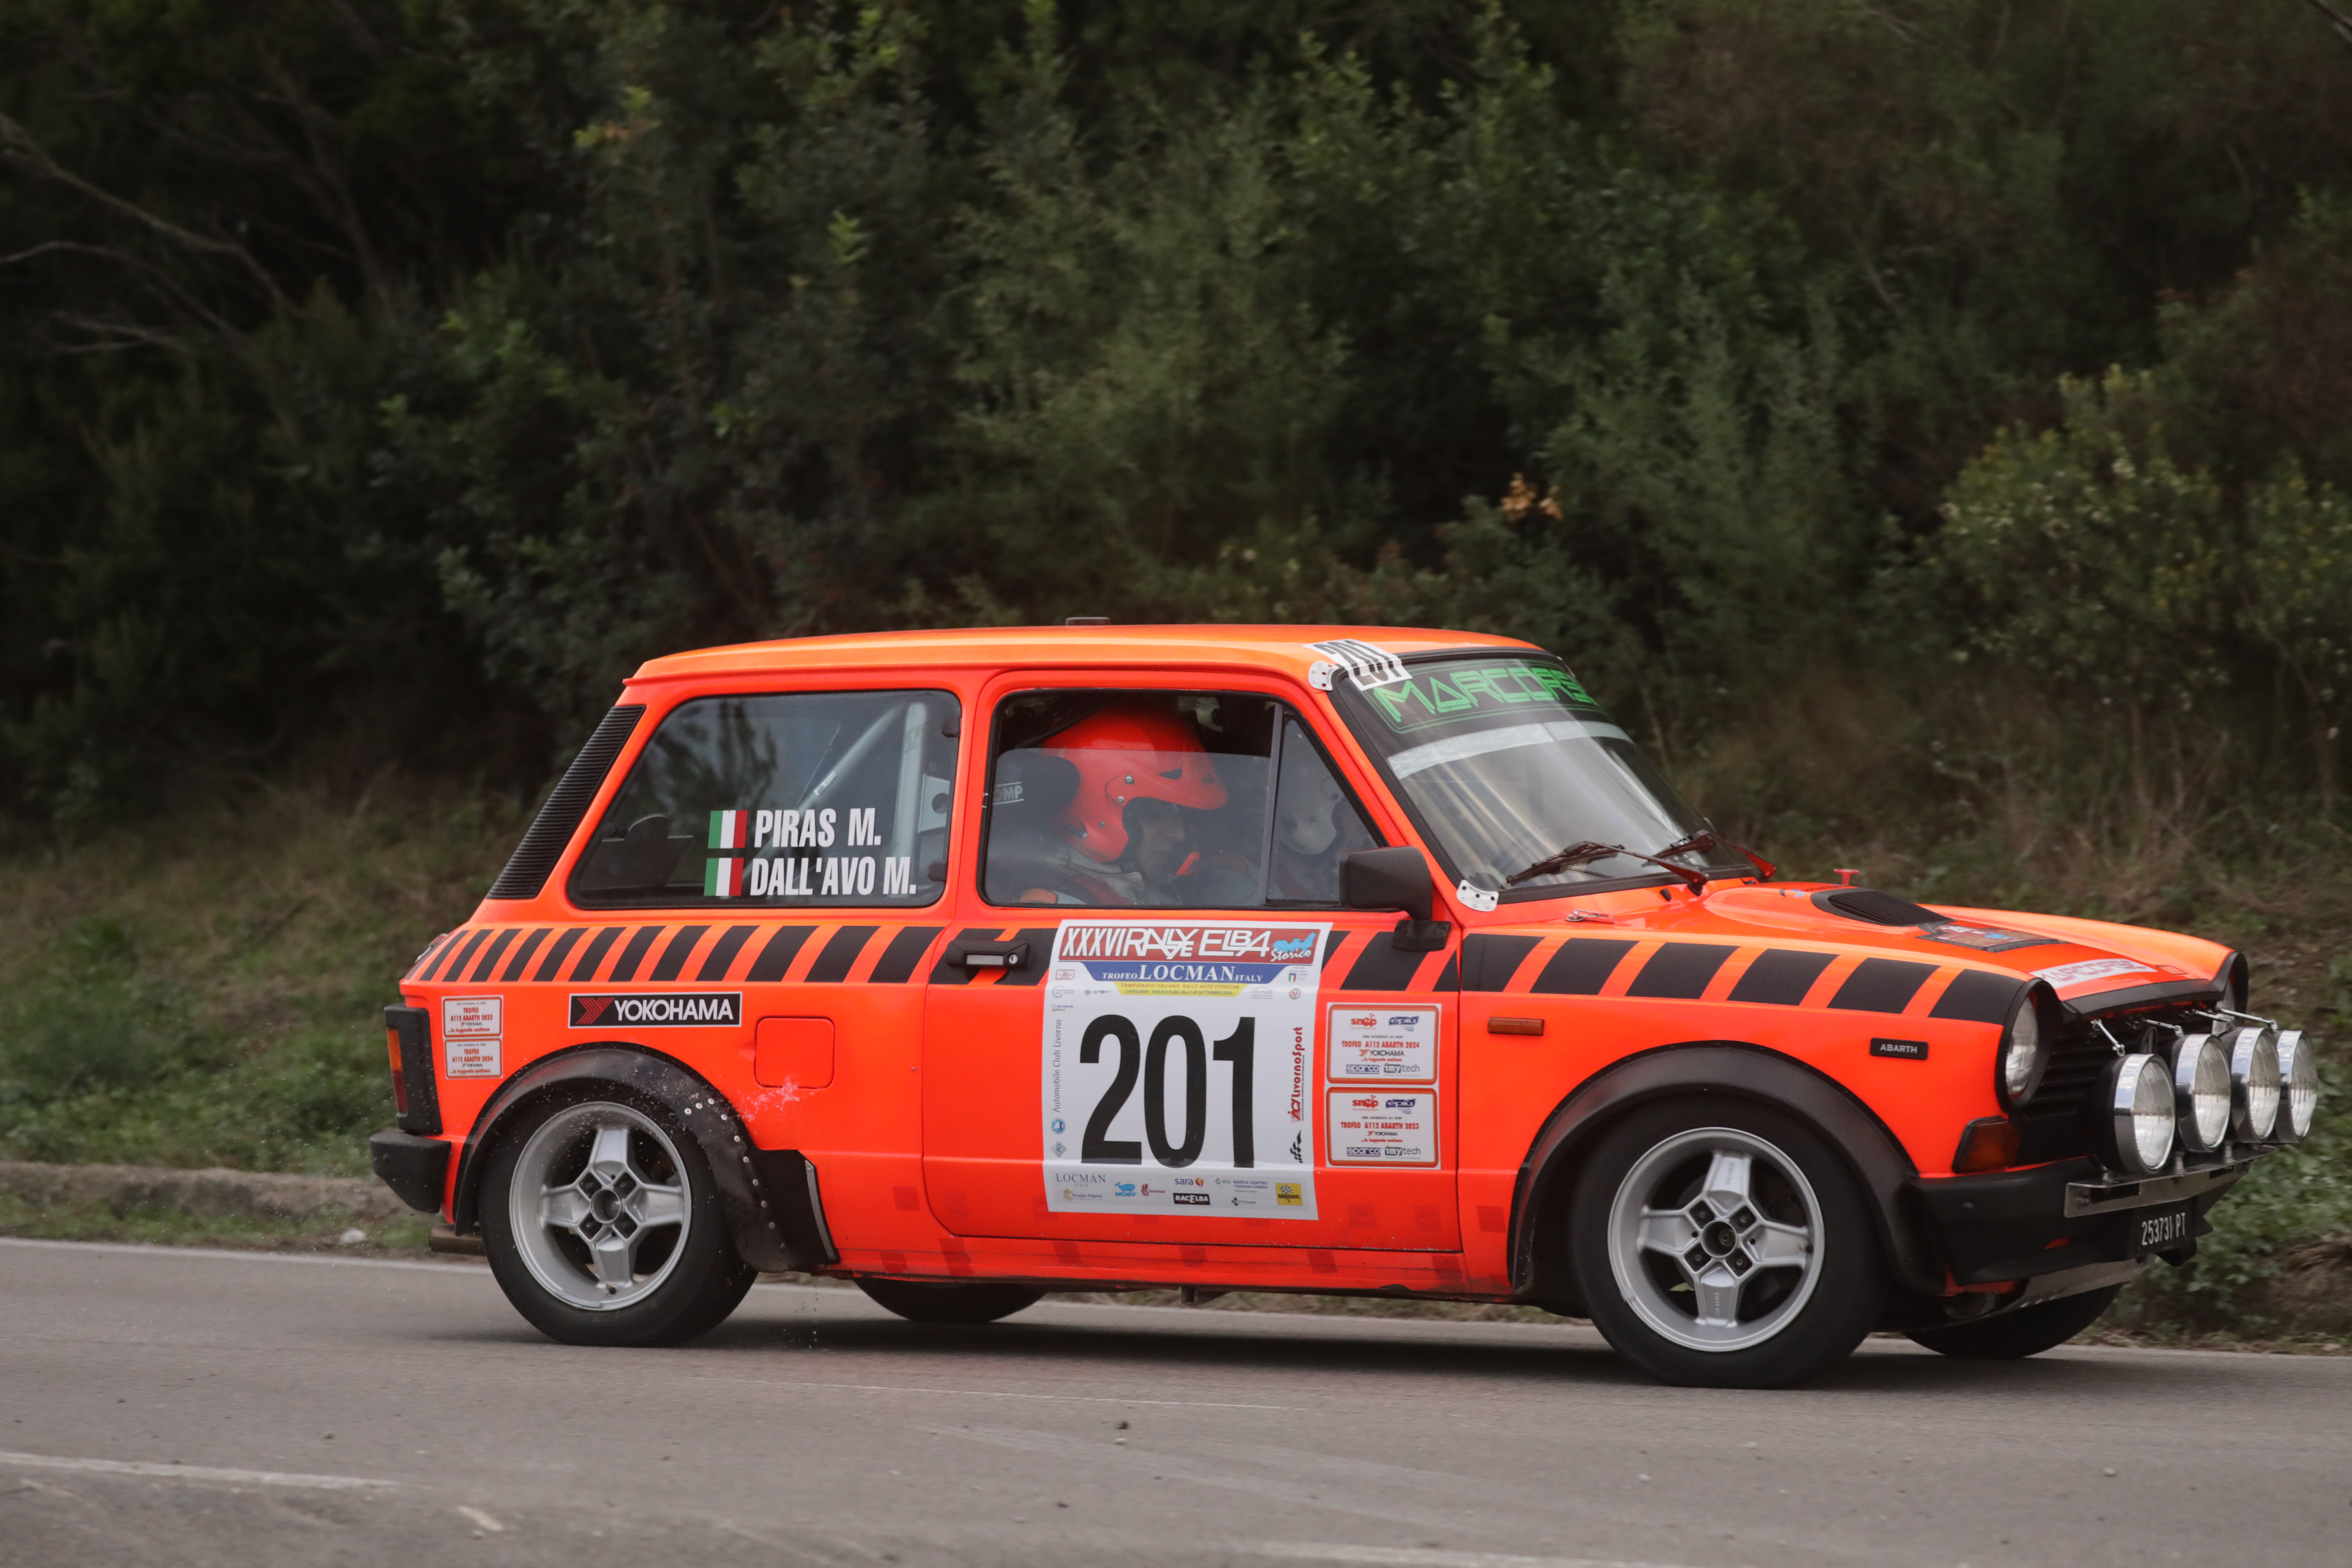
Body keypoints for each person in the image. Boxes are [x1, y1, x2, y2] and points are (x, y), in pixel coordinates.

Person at [1002, 701, 1251, 906]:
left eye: (1180, 813)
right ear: (1097, 814)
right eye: (1154, 815)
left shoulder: (1137, 890)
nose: (1179, 833)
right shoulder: (1058, 909)